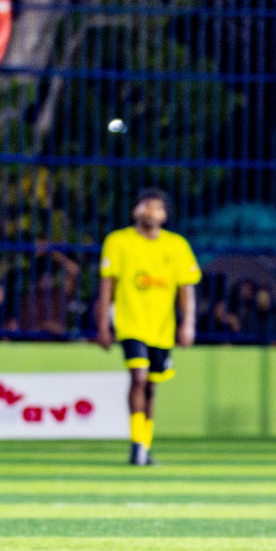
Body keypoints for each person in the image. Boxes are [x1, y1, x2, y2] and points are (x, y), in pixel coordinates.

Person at [95, 189, 200, 466]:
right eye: (147, 206)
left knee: (152, 386)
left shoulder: (176, 246)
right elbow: (107, 285)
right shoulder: (118, 242)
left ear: (165, 215)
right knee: (138, 378)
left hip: (162, 329)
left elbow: (186, 288)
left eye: (158, 208)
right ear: (136, 211)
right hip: (130, 324)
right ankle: (135, 443)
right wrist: (102, 324)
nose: (152, 212)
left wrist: (188, 323)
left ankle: (144, 444)